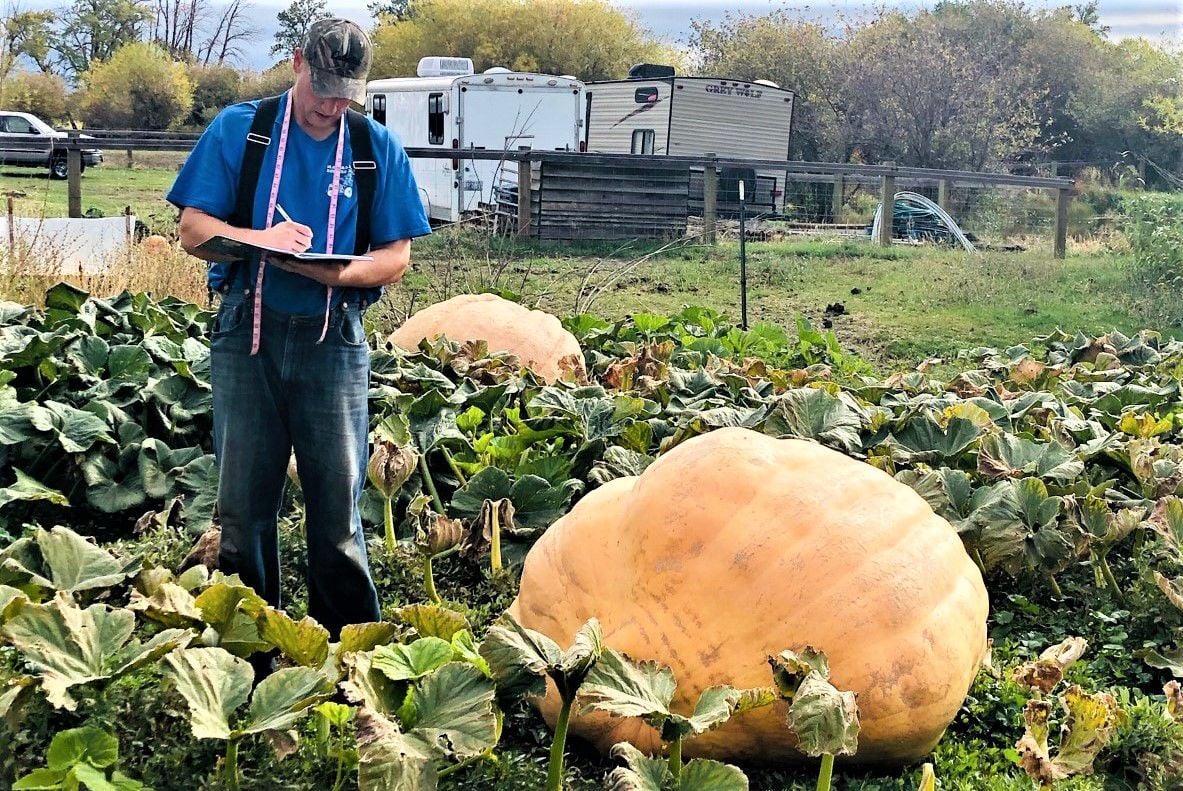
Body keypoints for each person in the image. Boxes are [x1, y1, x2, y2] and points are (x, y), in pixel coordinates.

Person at [168, 18, 431, 641]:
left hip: (333, 339)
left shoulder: (374, 147)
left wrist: (340, 272)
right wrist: (267, 243)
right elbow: (193, 230)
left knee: (338, 507)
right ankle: (249, 647)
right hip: (245, 333)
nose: (331, 104)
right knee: (243, 506)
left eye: (346, 93)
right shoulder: (242, 131)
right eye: (322, 88)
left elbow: (396, 257)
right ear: (295, 65)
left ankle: (347, 651)